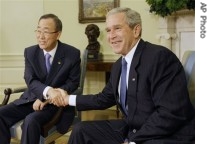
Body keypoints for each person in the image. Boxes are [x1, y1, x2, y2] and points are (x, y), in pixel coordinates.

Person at [52, 7, 195, 144]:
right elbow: (103, 99)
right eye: (108, 30)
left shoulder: (159, 57)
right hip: (134, 128)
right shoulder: (119, 65)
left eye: (117, 28)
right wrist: (66, 99)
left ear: (136, 30)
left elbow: (170, 113)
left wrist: (133, 141)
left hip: (165, 133)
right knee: (81, 130)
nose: (111, 36)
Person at [0, 14, 81, 144]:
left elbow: (73, 82)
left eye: (46, 31)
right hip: (31, 99)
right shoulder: (30, 52)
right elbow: (30, 79)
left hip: (56, 106)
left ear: (58, 34)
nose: (40, 36)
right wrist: (47, 92)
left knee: (31, 121)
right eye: (38, 30)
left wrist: (49, 99)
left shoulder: (72, 54)